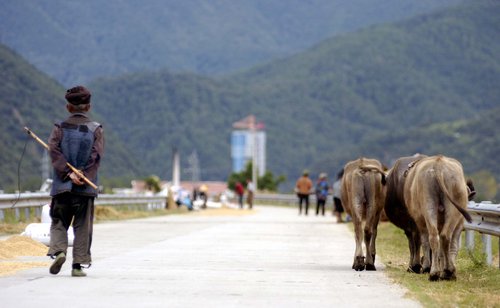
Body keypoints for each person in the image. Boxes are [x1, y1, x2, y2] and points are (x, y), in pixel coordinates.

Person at [47, 85, 104, 277]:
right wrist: (84, 175)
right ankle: (77, 266)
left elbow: (53, 150)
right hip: (85, 189)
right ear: (88, 106)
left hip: (62, 187)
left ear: (68, 107)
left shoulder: (59, 128)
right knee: (82, 226)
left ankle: (59, 251)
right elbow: (96, 157)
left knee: (59, 221)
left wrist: (68, 173)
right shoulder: (96, 130)